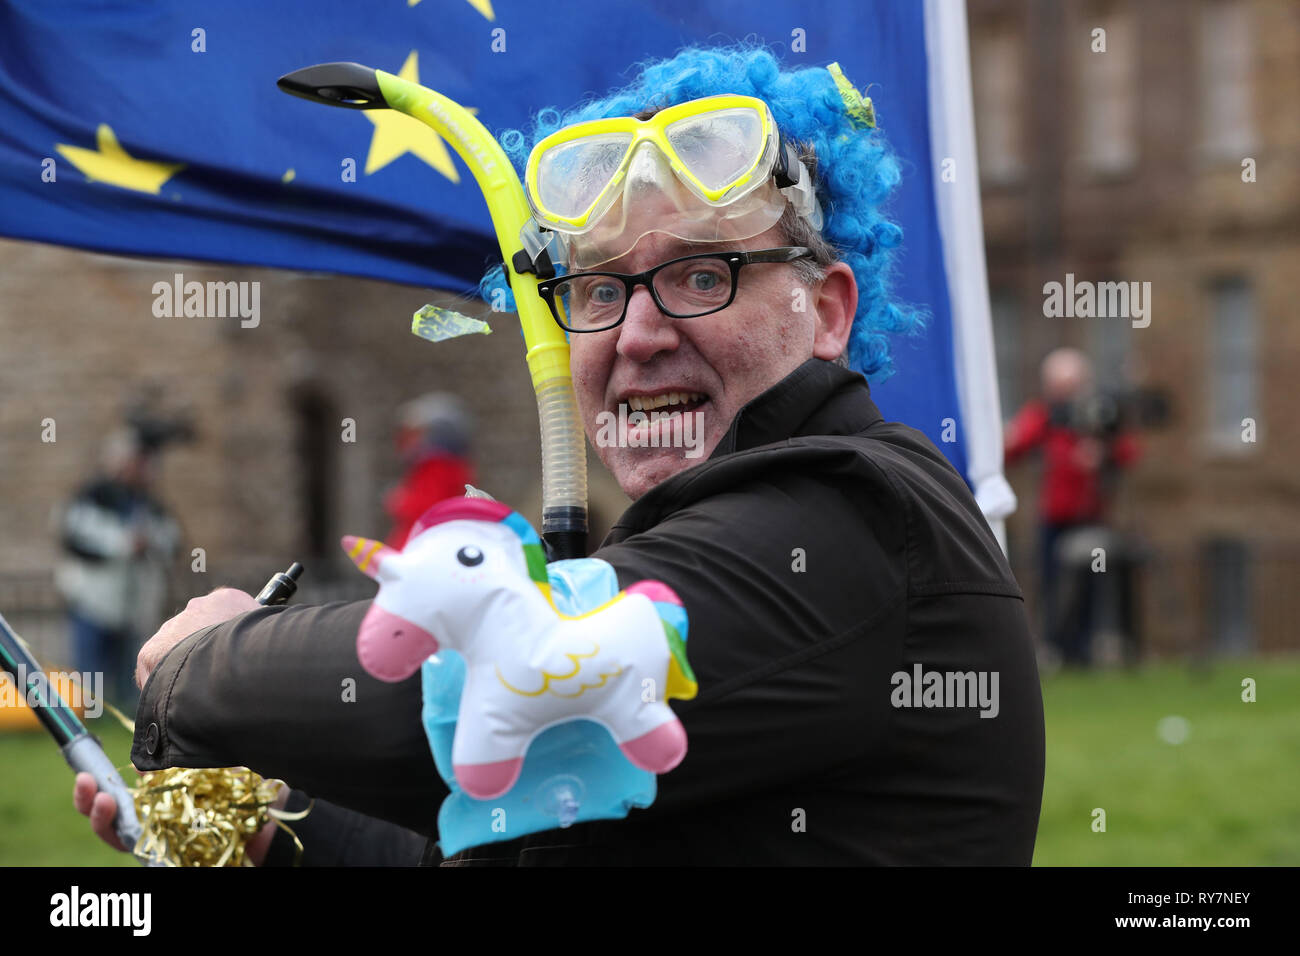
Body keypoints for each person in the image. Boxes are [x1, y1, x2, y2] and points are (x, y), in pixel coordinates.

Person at [76, 47, 1045, 865]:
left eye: (701, 273)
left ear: (827, 309)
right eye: (596, 292)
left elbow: (493, 684)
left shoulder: (847, 513)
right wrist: (267, 820)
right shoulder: (725, 529)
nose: (638, 332)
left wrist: (203, 664)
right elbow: (502, 826)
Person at [1004, 348, 1141, 666]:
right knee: (1052, 586)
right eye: (1058, 387)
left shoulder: (1099, 414)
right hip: (1054, 517)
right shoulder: (1043, 417)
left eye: (1070, 386)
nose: (1064, 394)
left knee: (1093, 584)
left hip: (1092, 517)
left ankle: (1087, 649)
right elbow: (1014, 448)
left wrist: (1102, 455)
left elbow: (1129, 451)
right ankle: (1057, 647)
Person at [54, 428, 181, 708]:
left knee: (130, 671)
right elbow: (75, 538)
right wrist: (124, 544)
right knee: (91, 673)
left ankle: (128, 716)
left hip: (131, 604)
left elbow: (173, 541)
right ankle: (92, 717)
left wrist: (150, 543)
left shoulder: (149, 504)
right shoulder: (93, 496)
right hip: (91, 599)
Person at [383, 392, 476, 549]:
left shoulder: (438, 467)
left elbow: (428, 509)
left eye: (414, 433)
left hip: (422, 544)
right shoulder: (438, 466)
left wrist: (399, 501)